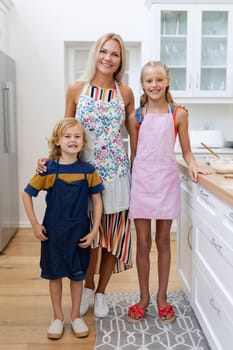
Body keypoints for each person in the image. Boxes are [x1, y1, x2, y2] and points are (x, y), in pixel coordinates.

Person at [36, 33, 135, 318]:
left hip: (117, 176)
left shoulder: (124, 93)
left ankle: (102, 292)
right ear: (96, 54)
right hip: (83, 177)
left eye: (114, 54)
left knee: (113, 239)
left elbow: (134, 134)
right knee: (88, 239)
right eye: (104, 51)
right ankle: (87, 286)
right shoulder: (76, 89)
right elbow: (65, 130)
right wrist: (50, 159)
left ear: (120, 61)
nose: (108, 58)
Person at [127, 60, 210, 324]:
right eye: (149, 80)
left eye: (159, 79)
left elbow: (186, 151)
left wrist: (194, 165)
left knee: (163, 242)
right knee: (141, 243)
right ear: (142, 84)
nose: (154, 85)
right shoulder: (136, 116)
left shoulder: (179, 114)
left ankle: (162, 298)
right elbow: (135, 153)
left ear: (168, 81)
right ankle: (143, 298)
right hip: (142, 181)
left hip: (165, 180)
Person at [22, 118, 104, 339]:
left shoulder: (88, 171)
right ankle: (57, 317)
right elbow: (27, 194)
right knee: (54, 275)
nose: (72, 140)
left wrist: (94, 230)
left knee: (78, 276)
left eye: (77, 136)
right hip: (54, 234)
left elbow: (97, 201)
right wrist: (34, 224)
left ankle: (76, 316)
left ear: (83, 143)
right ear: (57, 141)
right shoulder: (48, 169)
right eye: (67, 136)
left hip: (79, 233)